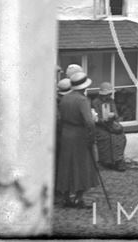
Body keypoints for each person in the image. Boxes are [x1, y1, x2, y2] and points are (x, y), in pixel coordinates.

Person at [56, 71, 99, 208]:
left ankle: (65, 197)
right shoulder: (82, 100)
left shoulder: (65, 99)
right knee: (81, 166)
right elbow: (89, 122)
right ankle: (79, 198)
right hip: (79, 135)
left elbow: (59, 119)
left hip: (66, 133)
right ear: (84, 87)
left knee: (66, 165)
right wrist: (91, 137)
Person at [91, 82, 127, 171]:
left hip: (110, 124)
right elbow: (95, 117)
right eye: (107, 94)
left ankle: (118, 160)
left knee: (120, 136)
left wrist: (113, 116)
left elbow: (116, 114)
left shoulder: (111, 101)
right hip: (100, 126)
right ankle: (107, 161)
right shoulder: (95, 102)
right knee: (106, 137)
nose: (108, 96)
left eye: (109, 94)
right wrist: (103, 120)